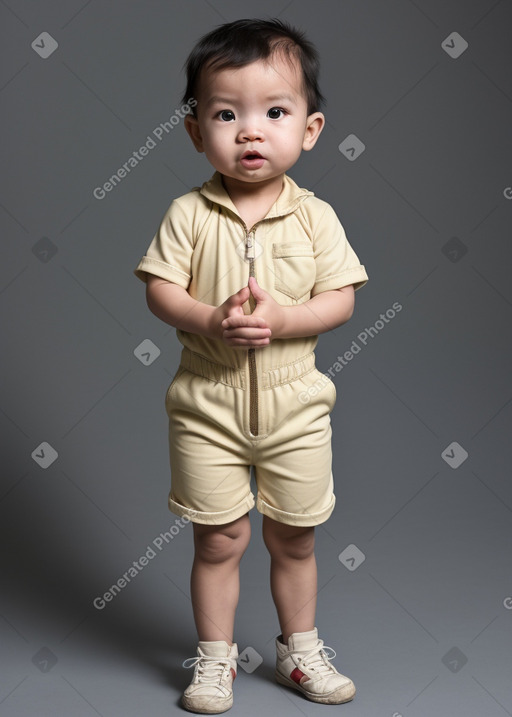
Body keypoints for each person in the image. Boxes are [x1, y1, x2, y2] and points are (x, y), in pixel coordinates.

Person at [134, 17, 369, 714]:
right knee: (220, 538)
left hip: (297, 408)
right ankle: (215, 660)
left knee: (294, 536)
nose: (251, 131)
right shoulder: (188, 214)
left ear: (311, 127)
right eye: (226, 113)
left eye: (275, 112)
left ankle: (300, 651)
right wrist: (210, 319)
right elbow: (159, 290)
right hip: (207, 405)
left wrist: (285, 320)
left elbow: (341, 298)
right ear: (195, 129)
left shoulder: (315, 218)